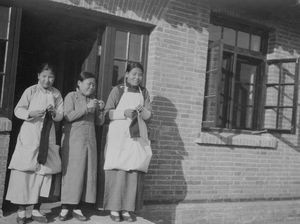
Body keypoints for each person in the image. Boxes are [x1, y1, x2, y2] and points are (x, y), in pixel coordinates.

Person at [6, 63, 63, 224]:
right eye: (44, 76)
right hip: (30, 134)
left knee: (43, 172)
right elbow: (18, 110)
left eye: (51, 77)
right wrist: (30, 113)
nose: (47, 80)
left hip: (47, 135)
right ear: (38, 76)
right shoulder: (31, 91)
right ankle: (22, 209)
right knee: (25, 172)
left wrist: (54, 113)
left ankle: (37, 209)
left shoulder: (56, 93)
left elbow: (60, 115)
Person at [103, 62, 152, 222]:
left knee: (133, 170)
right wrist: (123, 112)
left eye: (140, 75)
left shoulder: (143, 92)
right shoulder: (117, 90)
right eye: (134, 74)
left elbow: (149, 116)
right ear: (126, 74)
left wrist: (142, 111)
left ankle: (127, 209)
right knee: (118, 171)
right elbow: (106, 113)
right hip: (120, 135)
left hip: (136, 136)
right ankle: (114, 208)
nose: (137, 77)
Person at [59, 71, 105, 221]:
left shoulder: (93, 99)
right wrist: (87, 108)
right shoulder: (71, 96)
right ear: (79, 83)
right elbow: (68, 116)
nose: (91, 87)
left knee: (85, 172)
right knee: (72, 172)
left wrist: (100, 109)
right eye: (88, 84)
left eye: (93, 85)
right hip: (73, 140)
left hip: (89, 140)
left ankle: (77, 207)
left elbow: (99, 122)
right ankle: (65, 206)